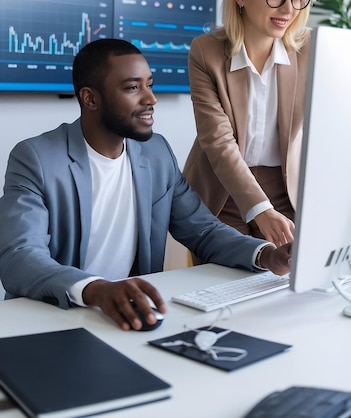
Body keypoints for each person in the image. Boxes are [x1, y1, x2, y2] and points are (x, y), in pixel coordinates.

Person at [0, 38, 292, 331]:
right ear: (90, 99)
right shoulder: (36, 158)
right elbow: (19, 257)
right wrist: (96, 289)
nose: (151, 99)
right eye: (132, 88)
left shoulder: (156, 153)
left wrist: (267, 255)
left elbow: (202, 230)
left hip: (127, 319)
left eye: (149, 85)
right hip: (52, 320)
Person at [183, 0, 313, 250]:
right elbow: (218, 141)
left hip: (286, 189)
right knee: (228, 284)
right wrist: (259, 208)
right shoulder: (207, 52)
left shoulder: (311, 49)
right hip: (222, 190)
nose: (288, 9)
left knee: (285, 290)